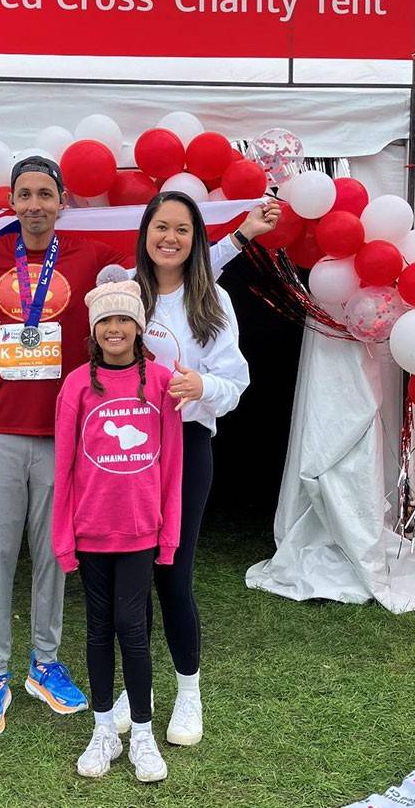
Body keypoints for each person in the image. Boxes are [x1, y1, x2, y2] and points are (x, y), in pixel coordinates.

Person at [0, 156, 277, 738]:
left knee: (58, 557)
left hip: (68, 436)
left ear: (62, 201)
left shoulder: (91, 260)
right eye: (24, 195)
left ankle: (45, 662)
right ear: (10, 202)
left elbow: (178, 267)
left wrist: (239, 235)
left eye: (45, 194)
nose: (34, 204)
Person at [104, 190, 256, 749]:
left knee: (173, 574)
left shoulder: (211, 298)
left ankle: (188, 691)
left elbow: (235, 381)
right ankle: (134, 691)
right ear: (145, 232)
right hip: (129, 452)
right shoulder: (123, 293)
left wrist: (201, 386)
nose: (170, 238)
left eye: (183, 230)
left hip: (186, 447)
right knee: (131, 575)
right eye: (160, 226)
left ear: (196, 241)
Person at [53, 279, 182, 782]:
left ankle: (143, 736)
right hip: (90, 533)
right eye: (105, 320)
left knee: (133, 627)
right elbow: (63, 468)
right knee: (98, 628)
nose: (115, 328)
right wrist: (64, 539)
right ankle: (103, 728)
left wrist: (167, 535)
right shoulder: (76, 385)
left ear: (139, 326)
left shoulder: (162, 382)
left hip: (139, 533)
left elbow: (171, 467)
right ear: (94, 329)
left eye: (124, 319)